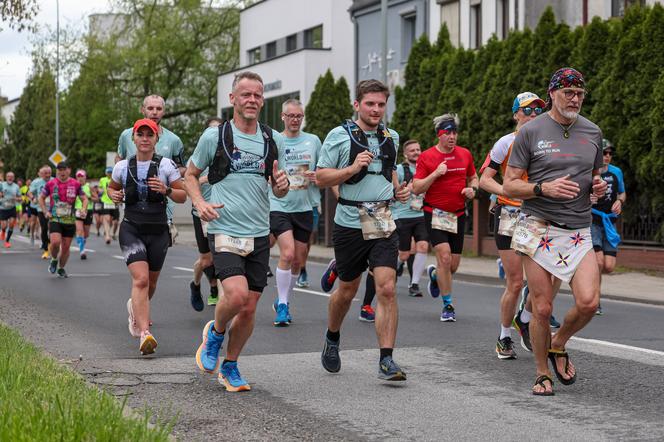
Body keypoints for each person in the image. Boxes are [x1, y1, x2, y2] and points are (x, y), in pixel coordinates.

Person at [503, 67, 607, 396]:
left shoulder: (592, 132)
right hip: (537, 227)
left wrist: (598, 187)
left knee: (589, 303)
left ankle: (558, 344)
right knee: (543, 307)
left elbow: (593, 178)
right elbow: (509, 184)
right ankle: (540, 372)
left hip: (577, 228)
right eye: (568, 93)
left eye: (580, 94)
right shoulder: (531, 131)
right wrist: (542, 188)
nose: (575, 99)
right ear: (552, 93)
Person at [186, 71, 289, 392]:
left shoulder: (274, 140)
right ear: (232, 99)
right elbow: (190, 174)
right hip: (224, 228)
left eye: (258, 95)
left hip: (259, 230)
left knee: (249, 307)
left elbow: (278, 187)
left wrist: (283, 187)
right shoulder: (214, 138)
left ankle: (230, 365)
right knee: (237, 294)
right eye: (246, 95)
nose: (252, 100)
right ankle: (216, 332)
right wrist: (200, 201)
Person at [316, 79, 409, 381]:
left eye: (381, 104)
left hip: (382, 221)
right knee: (347, 291)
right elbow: (321, 177)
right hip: (349, 223)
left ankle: (387, 359)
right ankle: (332, 338)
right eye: (370, 103)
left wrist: (398, 191)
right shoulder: (338, 136)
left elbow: (389, 170)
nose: (376, 109)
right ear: (357, 105)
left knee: (387, 288)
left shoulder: (390, 136)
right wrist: (352, 168)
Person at [108, 118, 186, 355]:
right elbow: (111, 188)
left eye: (149, 135)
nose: (144, 139)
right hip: (132, 228)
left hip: (158, 230)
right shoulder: (122, 167)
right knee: (140, 280)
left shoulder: (166, 166)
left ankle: (135, 308)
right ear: (133, 138)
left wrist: (167, 190)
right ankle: (144, 333)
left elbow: (183, 195)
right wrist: (114, 195)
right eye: (140, 135)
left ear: (156, 139)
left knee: (150, 284)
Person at [479, 91, 545, 359]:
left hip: (537, 214)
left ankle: (524, 317)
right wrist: (507, 192)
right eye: (527, 110)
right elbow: (484, 180)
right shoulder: (506, 143)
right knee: (516, 282)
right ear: (516, 114)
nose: (532, 115)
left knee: (545, 278)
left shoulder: (547, 143)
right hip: (509, 214)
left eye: (538, 111)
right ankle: (504, 336)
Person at [412, 113, 479, 322]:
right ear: (439, 135)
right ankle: (448, 305)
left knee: (453, 266)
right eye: (447, 133)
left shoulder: (465, 154)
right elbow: (416, 188)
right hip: (435, 213)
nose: (452, 136)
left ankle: (434, 275)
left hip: (458, 214)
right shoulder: (427, 157)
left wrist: (473, 189)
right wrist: (435, 174)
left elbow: (473, 177)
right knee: (445, 257)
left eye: (454, 132)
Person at [269, 98, 321, 326]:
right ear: (282, 117)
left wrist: (317, 176)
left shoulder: (313, 141)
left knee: (298, 261)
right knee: (287, 254)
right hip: (279, 205)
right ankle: (281, 304)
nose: (295, 120)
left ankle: (284, 301)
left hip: (305, 206)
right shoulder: (274, 140)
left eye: (299, 116)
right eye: (290, 116)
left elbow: (323, 169)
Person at [117, 95, 185, 244]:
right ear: (143, 110)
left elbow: (182, 168)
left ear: (164, 112)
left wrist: (165, 177)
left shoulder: (174, 140)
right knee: (136, 254)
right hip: (134, 203)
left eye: (159, 109)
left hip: (162, 205)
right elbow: (120, 160)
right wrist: (120, 185)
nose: (154, 112)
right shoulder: (126, 135)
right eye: (150, 108)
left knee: (155, 257)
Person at [189, 116, 223, 311]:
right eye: (211, 130)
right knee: (207, 259)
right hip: (201, 214)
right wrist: (203, 180)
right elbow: (187, 184)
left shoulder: (228, 155)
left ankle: (220, 297)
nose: (214, 133)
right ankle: (195, 284)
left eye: (218, 130)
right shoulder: (198, 157)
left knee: (222, 255)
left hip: (223, 213)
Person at [591, 138, 626, 315]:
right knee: (598, 262)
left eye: (610, 153)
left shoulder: (616, 172)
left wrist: (619, 201)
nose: (608, 156)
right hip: (593, 221)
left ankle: (587, 282)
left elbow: (622, 192)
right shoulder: (590, 172)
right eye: (604, 153)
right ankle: (595, 301)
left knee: (609, 266)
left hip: (609, 222)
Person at [39, 162, 88, 279]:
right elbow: (41, 198)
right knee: (55, 242)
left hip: (70, 221)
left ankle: (61, 268)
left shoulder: (75, 184)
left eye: (64, 169)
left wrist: (83, 209)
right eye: (59, 170)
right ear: (57, 171)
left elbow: (84, 198)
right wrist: (45, 211)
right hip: (55, 218)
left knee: (66, 248)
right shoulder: (51, 184)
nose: (61, 172)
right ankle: (54, 259)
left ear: (69, 170)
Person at [392, 139, 428, 297]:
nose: (416, 153)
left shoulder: (426, 169)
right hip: (402, 216)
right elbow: (392, 191)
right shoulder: (399, 170)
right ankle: (398, 265)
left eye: (418, 149)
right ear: (405, 154)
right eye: (412, 150)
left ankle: (414, 284)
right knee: (405, 254)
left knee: (422, 247)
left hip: (421, 215)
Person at [29, 166, 52, 258]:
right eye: (45, 173)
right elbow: (29, 193)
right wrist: (33, 198)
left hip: (53, 208)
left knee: (53, 228)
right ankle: (46, 249)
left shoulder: (55, 180)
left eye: (49, 173)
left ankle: (50, 245)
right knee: (44, 228)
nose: (47, 175)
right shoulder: (37, 182)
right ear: (41, 174)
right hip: (41, 208)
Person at [74, 170, 96, 259]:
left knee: (86, 233)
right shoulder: (74, 187)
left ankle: (81, 241)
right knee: (80, 231)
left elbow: (97, 198)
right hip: (77, 210)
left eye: (82, 176)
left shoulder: (89, 187)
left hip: (88, 211)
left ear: (85, 177)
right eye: (78, 176)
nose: (80, 178)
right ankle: (82, 251)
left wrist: (89, 197)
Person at [0, 171, 21, 248]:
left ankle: (7, 241)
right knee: (4, 226)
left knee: (11, 224)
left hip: (12, 207)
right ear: (6, 177)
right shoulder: (1, 184)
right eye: (9, 176)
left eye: (12, 177)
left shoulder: (16, 186)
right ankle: (3, 231)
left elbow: (20, 197)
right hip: (3, 208)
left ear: (13, 178)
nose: (10, 178)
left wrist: (17, 198)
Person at [98, 167, 119, 244]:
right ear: (106, 173)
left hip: (114, 202)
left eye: (111, 172)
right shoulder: (102, 179)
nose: (109, 174)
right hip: (105, 201)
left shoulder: (116, 179)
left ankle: (113, 233)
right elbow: (99, 189)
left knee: (115, 222)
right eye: (108, 172)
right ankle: (107, 235)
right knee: (107, 218)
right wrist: (100, 191)